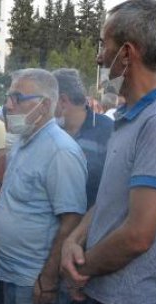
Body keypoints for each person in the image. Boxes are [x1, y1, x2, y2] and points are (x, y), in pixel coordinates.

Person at [61, 1, 156, 304]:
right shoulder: (131, 117)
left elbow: (138, 236)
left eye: (103, 46)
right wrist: (74, 239)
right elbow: (112, 197)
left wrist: (83, 269)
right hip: (104, 298)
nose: (99, 57)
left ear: (126, 53)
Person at [0, 69, 88, 304]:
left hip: (35, 278)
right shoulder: (23, 140)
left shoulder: (61, 151)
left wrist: (49, 277)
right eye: (9, 97)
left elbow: (72, 220)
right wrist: (1, 195)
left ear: (44, 105)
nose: (8, 105)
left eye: (17, 97)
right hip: (11, 272)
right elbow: (30, 189)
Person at [53, 68, 113, 209]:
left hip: (90, 223)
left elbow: (112, 187)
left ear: (62, 100)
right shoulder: (51, 131)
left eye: (49, 100)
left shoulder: (107, 130)